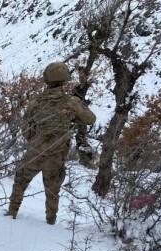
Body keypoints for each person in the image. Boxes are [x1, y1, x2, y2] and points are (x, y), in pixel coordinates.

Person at [6, 62, 96, 225]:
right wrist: (79, 106)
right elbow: (90, 119)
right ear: (65, 79)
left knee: (20, 180)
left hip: (35, 152)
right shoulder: (71, 102)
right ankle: (50, 221)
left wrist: (35, 142)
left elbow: (26, 128)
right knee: (53, 189)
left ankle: (12, 211)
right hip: (56, 154)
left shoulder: (36, 102)